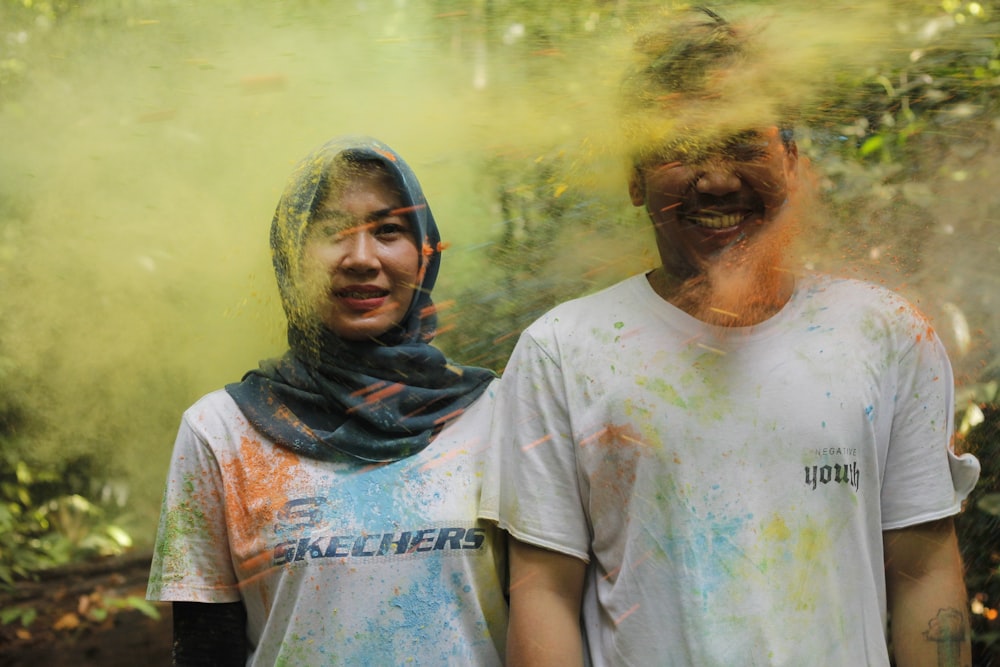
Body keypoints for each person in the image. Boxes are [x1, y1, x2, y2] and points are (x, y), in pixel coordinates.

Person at [480, 8, 980, 666]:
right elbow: (543, 594)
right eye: (680, 147)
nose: (716, 178)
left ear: (793, 161)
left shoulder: (887, 332)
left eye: (745, 142)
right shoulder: (561, 349)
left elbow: (923, 574)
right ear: (635, 176)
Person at [147, 136, 507, 666]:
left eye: (388, 231)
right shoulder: (220, 430)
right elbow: (205, 650)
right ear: (289, 256)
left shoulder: (501, 412)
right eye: (331, 232)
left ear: (425, 251)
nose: (361, 258)